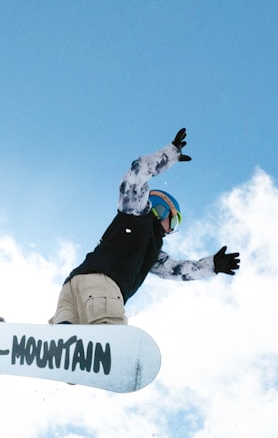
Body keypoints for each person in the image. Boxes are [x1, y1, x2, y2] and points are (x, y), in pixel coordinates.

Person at [46, 128, 240, 325]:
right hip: (102, 287)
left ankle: (53, 345)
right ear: (161, 209)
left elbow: (176, 270)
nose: (171, 230)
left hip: (72, 287)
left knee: (66, 340)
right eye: (173, 221)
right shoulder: (137, 211)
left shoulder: (152, 250)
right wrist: (170, 154)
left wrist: (213, 265)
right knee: (106, 332)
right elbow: (137, 173)